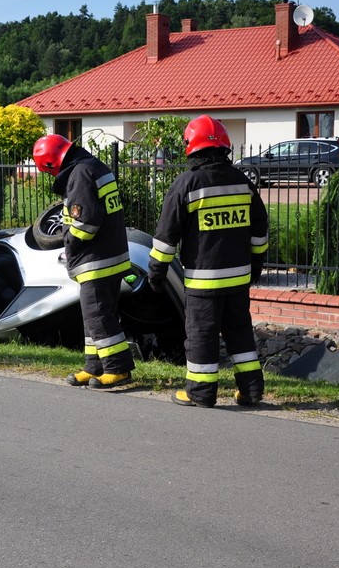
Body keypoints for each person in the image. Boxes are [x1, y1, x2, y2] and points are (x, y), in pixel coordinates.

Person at [148, 116, 268, 407]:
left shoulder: (186, 184)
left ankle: (200, 393)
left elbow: (166, 238)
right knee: (240, 334)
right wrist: (254, 268)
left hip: (204, 281)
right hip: (238, 280)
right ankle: (250, 392)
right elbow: (260, 232)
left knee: (201, 334)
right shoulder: (243, 183)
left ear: (191, 147)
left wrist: (156, 273)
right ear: (224, 146)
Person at [32, 134, 135, 388]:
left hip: (96, 259)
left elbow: (85, 224)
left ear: (49, 164)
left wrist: (68, 242)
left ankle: (118, 368)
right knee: (93, 316)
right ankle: (94, 366)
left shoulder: (79, 175)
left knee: (99, 316)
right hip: (108, 255)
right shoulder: (93, 167)